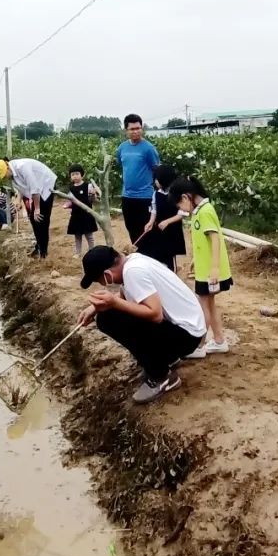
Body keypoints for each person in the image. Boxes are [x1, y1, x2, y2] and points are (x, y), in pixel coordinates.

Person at [77, 246, 206, 404]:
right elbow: (129, 296)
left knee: (108, 319)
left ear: (107, 275)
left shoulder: (133, 272)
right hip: (186, 329)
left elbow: (155, 314)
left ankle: (162, 377)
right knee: (110, 314)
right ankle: (167, 359)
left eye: (99, 281)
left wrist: (114, 302)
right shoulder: (132, 263)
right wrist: (94, 308)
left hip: (187, 336)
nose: (102, 284)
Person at [168, 177, 231, 358]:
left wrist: (215, 268)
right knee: (209, 304)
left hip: (210, 271)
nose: (180, 209)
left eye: (179, 204)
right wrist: (196, 260)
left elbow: (215, 239)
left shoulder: (205, 212)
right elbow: (203, 242)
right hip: (204, 269)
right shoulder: (199, 212)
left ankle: (199, 345)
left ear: (186, 197)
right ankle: (219, 341)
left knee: (203, 305)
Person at [0, 158, 58, 258]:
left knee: (41, 219)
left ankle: (43, 252)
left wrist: (37, 209)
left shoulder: (23, 167)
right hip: (35, 190)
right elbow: (23, 186)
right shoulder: (12, 174)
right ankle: (38, 246)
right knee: (32, 219)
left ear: (7, 167)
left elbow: (35, 189)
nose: (4, 178)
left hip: (45, 186)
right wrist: (18, 200)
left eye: (4, 175)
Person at [116, 114, 160, 244]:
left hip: (145, 196)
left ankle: (149, 258)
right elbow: (121, 164)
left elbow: (156, 169)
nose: (136, 131)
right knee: (131, 228)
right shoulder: (122, 148)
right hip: (127, 196)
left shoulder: (148, 148)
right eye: (132, 129)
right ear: (126, 131)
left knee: (146, 231)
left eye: (138, 128)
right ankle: (138, 257)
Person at [140, 165, 187, 271]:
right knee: (159, 252)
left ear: (164, 179)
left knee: (170, 254)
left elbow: (182, 213)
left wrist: (167, 221)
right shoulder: (156, 194)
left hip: (172, 230)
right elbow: (154, 210)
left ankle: (172, 272)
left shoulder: (176, 194)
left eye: (157, 179)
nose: (155, 181)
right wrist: (150, 222)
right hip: (159, 229)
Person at [66, 164, 98, 257]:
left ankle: (92, 251)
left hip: (87, 214)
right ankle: (78, 253)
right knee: (77, 236)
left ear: (82, 175)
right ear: (70, 176)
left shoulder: (88, 186)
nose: (75, 176)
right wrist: (67, 204)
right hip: (76, 215)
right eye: (72, 174)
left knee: (89, 236)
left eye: (77, 174)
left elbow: (92, 200)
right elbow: (70, 201)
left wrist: (93, 195)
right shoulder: (71, 189)